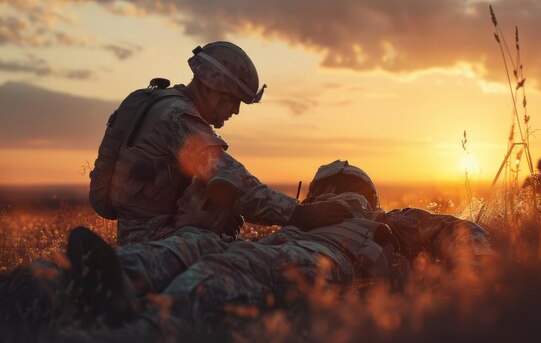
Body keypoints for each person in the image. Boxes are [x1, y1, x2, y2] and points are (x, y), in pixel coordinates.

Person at [52, 161, 494, 338]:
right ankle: (115, 277)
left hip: (333, 262)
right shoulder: (300, 217)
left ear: (366, 198)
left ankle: (130, 330)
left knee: (233, 262)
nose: (333, 197)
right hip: (280, 251)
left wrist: (475, 279)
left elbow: (461, 231)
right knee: (196, 243)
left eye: (344, 191)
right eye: (327, 191)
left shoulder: (387, 220)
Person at [89, 41, 350, 245]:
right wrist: (300, 214)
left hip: (143, 239)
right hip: (159, 244)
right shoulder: (178, 117)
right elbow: (232, 180)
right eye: (231, 99)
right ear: (208, 87)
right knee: (261, 260)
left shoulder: (162, 103)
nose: (235, 111)